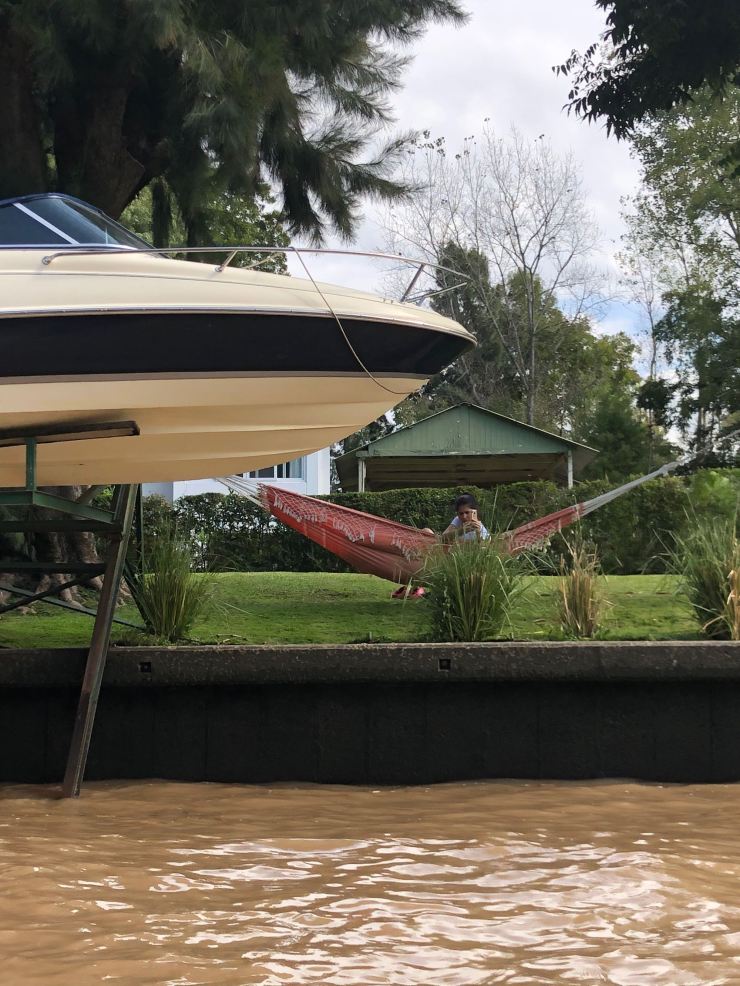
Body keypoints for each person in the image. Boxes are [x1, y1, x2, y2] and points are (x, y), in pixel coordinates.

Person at [390, 493, 489, 598]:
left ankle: (417, 587)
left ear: (475, 512)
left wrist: (477, 533)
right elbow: (444, 538)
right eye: (461, 513)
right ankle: (415, 584)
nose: (464, 517)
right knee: (426, 532)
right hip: (446, 557)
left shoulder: (482, 530)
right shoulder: (458, 521)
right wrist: (462, 531)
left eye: (467, 513)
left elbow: (482, 553)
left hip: (462, 566)